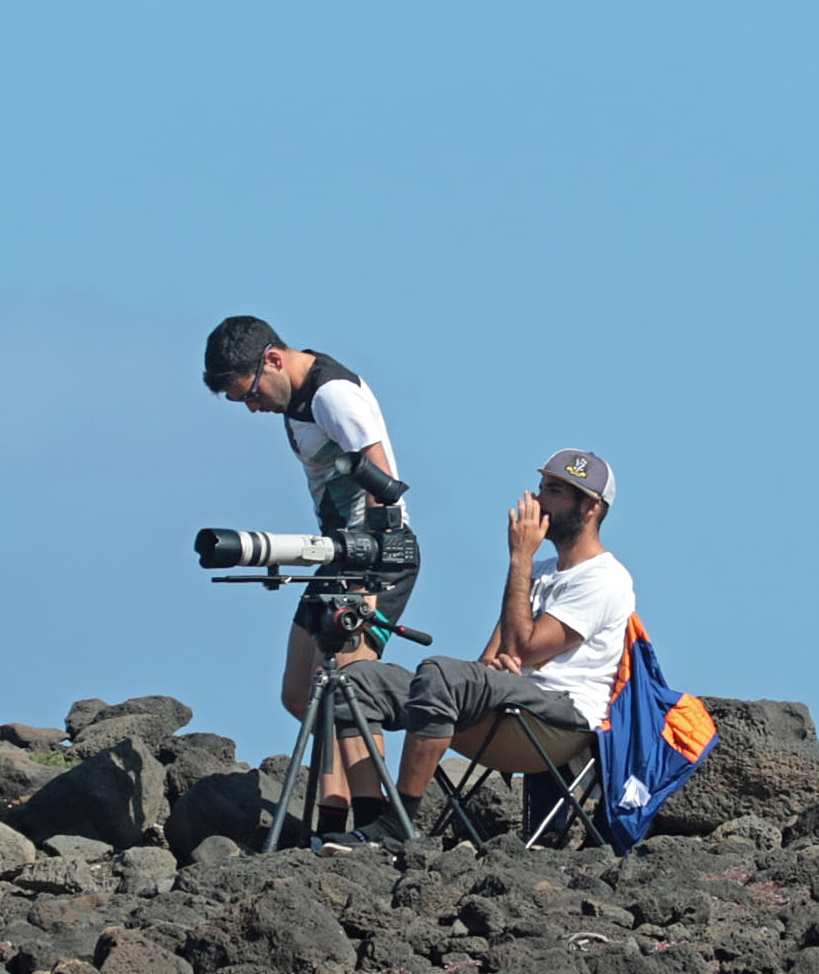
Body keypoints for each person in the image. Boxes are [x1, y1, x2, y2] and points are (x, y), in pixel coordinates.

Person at [332, 448, 634, 840]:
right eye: (541, 487)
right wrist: (497, 665)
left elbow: (523, 648)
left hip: (559, 718)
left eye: (555, 491)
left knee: (441, 673)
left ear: (590, 507)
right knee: (355, 680)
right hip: (507, 703)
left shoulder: (604, 578)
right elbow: (493, 658)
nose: (538, 500)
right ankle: (372, 823)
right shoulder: (540, 573)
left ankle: (398, 825)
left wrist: (520, 558)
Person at [201, 315, 419, 822]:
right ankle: (335, 811)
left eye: (251, 394)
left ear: (273, 360)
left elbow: (383, 479)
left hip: (379, 555)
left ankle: (369, 821)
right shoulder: (295, 389)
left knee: (350, 692)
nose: (254, 408)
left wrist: (370, 571)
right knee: (301, 693)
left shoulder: (331, 395)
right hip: (336, 554)